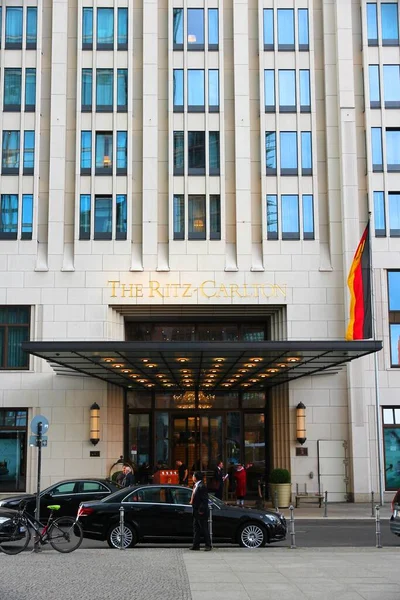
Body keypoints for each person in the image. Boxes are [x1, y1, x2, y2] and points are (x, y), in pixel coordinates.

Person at [189, 471, 212, 551]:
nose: (192, 477)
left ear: (196, 477)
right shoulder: (196, 485)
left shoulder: (202, 486)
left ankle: (208, 545)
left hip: (201, 512)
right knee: (196, 529)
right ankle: (196, 545)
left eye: (193, 476)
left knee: (204, 528)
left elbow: (204, 500)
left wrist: (201, 510)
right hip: (196, 510)